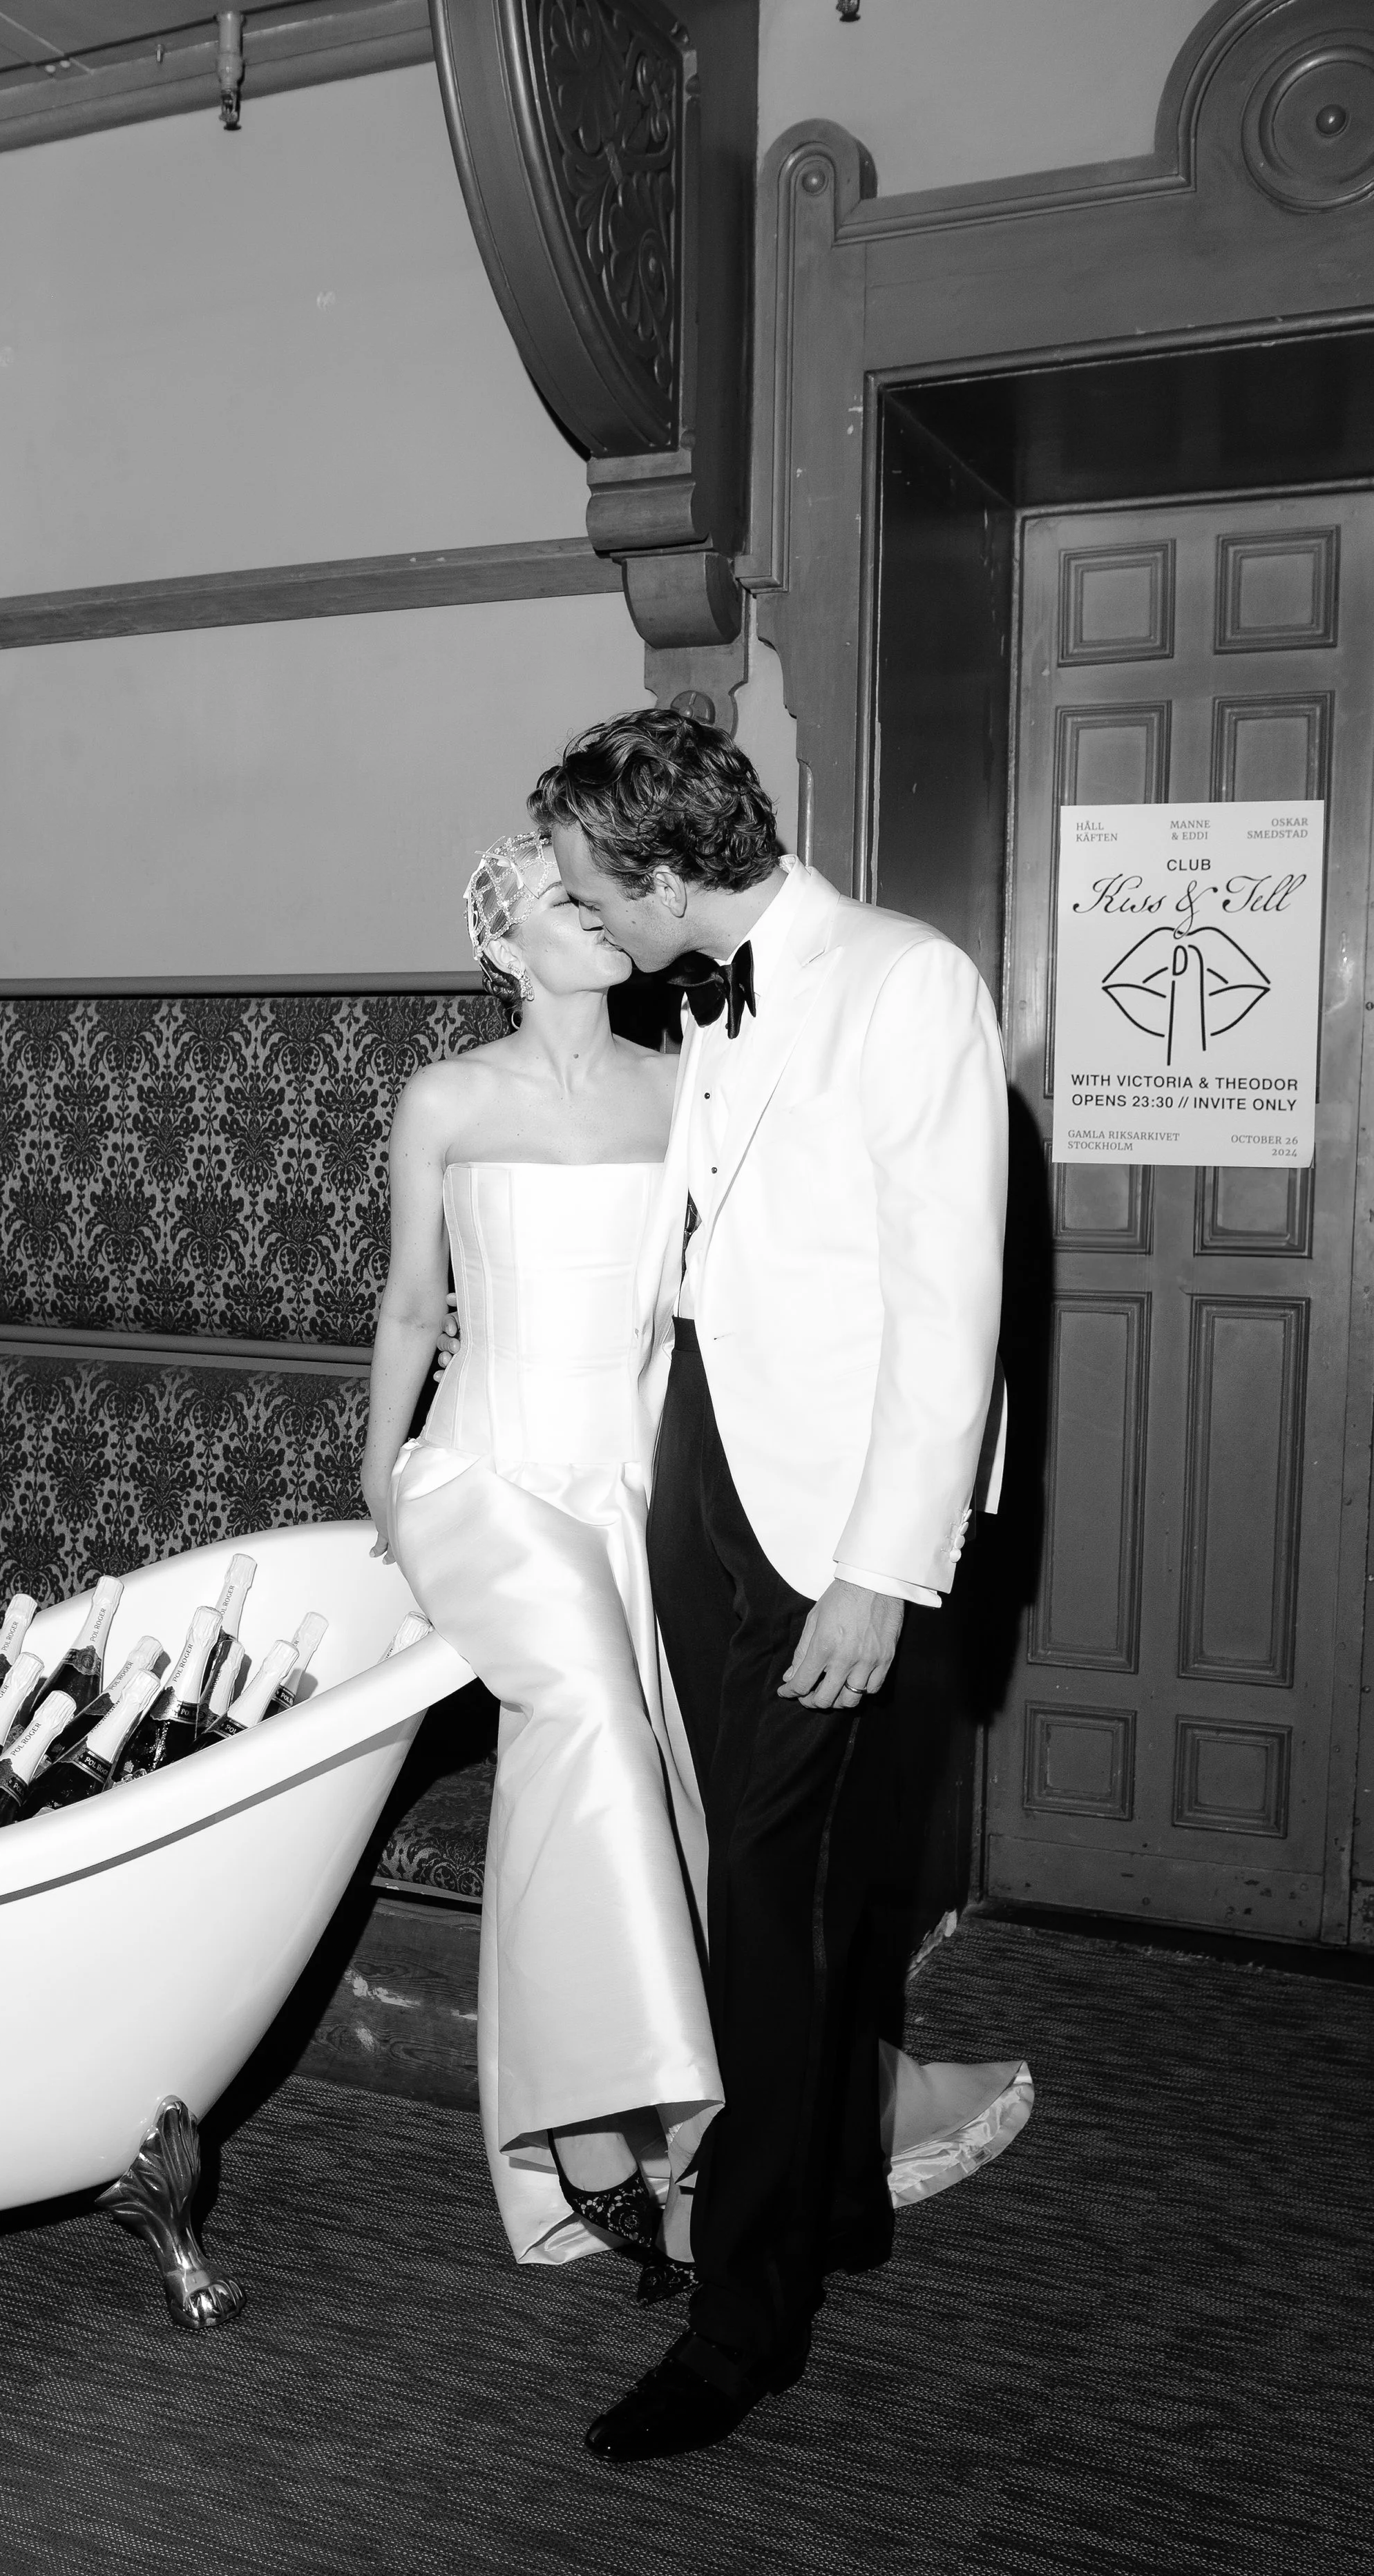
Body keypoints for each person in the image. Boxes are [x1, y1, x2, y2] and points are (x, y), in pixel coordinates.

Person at [361, 821, 1027, 2358]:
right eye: (551, 900)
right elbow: (410, 1300)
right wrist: (379, 1468)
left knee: (667, 1789)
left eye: (590, 895)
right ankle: (608, 2141)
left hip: (647, 1489)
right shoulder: (445, 1096)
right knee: (588, 1713)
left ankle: (652, 2132)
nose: (585, 919)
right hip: (488, 1473)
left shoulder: (691, 1084)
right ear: (498, 938)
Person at [536, 709, 1010, 2461]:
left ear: (669, 874)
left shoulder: (905, 983)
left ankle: (740, 2322)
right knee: (780, 1896)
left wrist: (882, 1573)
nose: (584, 914)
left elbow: (946, 1310)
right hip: (707, 1496)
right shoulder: (705, 990)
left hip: (836, 1541)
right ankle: (831, 2209)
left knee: (767, 1905)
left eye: (597, 887)